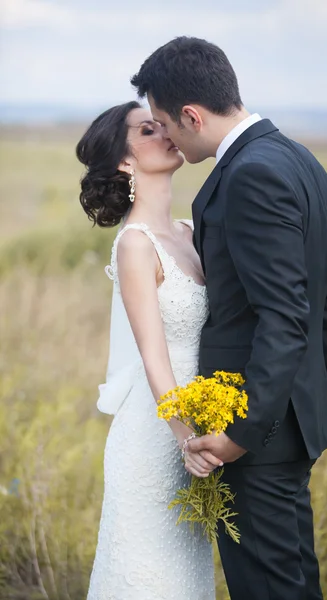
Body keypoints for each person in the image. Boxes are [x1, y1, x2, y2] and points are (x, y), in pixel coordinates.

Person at [131, 36, 327, 600]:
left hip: (254, 432)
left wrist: (243, 432)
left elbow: (284, 313)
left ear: (191, 114)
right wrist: (305, 392)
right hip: (288, 422)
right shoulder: (300, 159)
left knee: (269, 589)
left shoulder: (251, 173)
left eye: (165, 123)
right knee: (293, 579)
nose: (169, 138)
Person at [76, 101, 216, 600]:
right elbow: (154, 357)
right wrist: (186, 439)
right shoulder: (135, 245)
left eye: (164, 124)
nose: (167, 133)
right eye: (148, 129)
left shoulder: (190, 233)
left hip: (199, 425)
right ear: (124, 160)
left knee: (186, 574)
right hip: (157, 435)